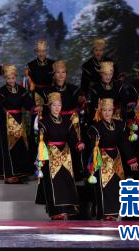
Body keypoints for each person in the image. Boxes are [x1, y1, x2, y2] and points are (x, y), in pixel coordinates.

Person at [85, 98, 138, 221]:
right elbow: (93, 147)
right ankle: (105, 213)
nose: (107, 113)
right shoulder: (96, 127)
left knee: (116, 185)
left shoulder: (119, 125)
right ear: (100, 111)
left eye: (109, 110)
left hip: (116, 158)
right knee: (105, 186)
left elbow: (124, 143)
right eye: (104, 110)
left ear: (113, 111)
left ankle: (114, 212)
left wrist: (131, 159)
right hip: (102, 159)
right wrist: (93, 163)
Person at [35, 92, 84, 220]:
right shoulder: (44, 122)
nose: (57, 108)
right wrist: (42, 157)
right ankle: (56, 212)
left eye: (59, 105)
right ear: (49, 106)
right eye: (54, 105)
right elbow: (41, 141)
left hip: (65, 155)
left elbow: (72, 137)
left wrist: (78, 144)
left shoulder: (67, 121)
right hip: (50, 155)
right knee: (54, 184)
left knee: (66, 183)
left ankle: (67, 210)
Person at [0, 64, 35, 184]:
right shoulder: (1, 91)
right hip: (6, 123)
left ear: (15, 77)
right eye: (8, 78)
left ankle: (21, 172)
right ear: (5, 78)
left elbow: (29, 103)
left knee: (21, 147)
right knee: (7, 148)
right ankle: (8, 174)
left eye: (13, 78)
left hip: (20, 122)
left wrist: (34, 108)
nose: (11, 80)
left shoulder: (22, 90)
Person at [25, 39, 54, 110]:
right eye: (39, 51)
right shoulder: (30, 65)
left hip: (51, 92)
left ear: (46, 51)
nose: (41, 54)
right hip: (36, 94)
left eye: (43, 51)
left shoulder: (53, 63)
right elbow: (28, 84)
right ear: (35, 52)